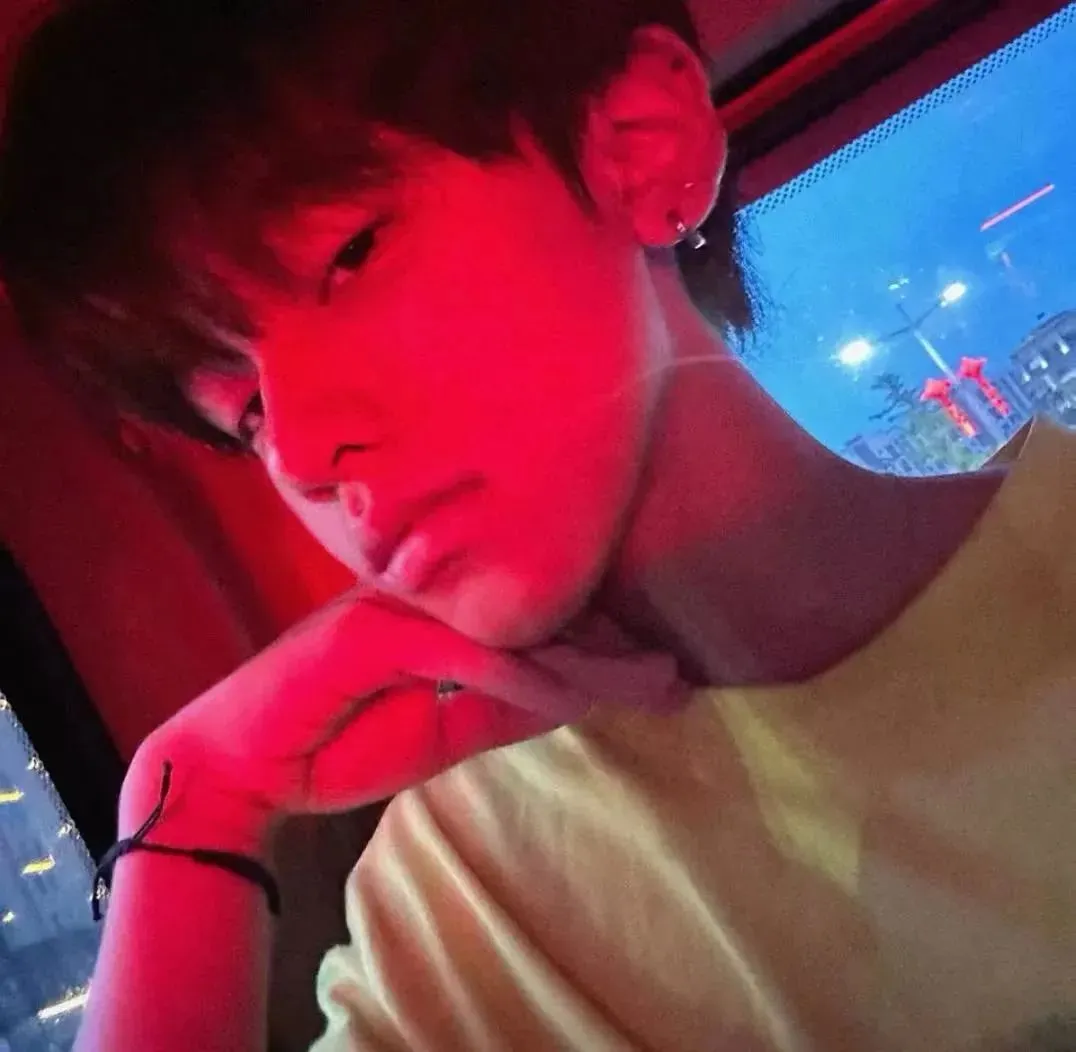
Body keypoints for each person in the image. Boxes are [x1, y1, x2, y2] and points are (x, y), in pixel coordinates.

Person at [0, 2, 1073, 1050]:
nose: (306, 451)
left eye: (350, 255)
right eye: (246, 413)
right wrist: (191, 806)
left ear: (640, 146)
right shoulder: (461, 899)